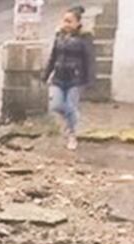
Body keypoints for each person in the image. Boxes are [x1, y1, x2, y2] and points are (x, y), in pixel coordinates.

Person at [42, 7, 94, 151]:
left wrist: (90, 79)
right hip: (58, 77)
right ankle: (73, 119)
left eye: (69, 21)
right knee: (56, 106)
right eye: (64, 20)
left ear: (77, 23)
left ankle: (72, 134)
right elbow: (53, 57)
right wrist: (46, 75)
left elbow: (89, 59)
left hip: (75, 79)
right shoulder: (59, 36)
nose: (66, 24)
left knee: (70, 106)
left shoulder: (85, 38)